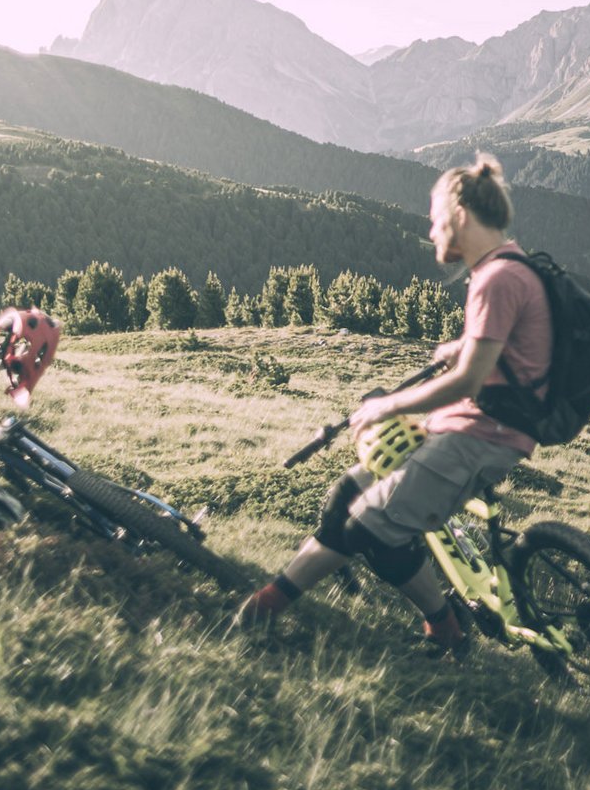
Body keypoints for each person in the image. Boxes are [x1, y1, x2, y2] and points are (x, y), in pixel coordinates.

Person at [236, 156, 551, 654]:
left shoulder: (497, 279)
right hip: (466, 428)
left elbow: (468, 380)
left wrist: (388, 406)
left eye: (434, 218)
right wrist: (461, 345)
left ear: (460, 215)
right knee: (348, 496)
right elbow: (499, 349)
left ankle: (446, 632)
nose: (430, 232)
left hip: (482, 437)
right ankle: (268, 604)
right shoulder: (504, 266)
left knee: (373, 529)